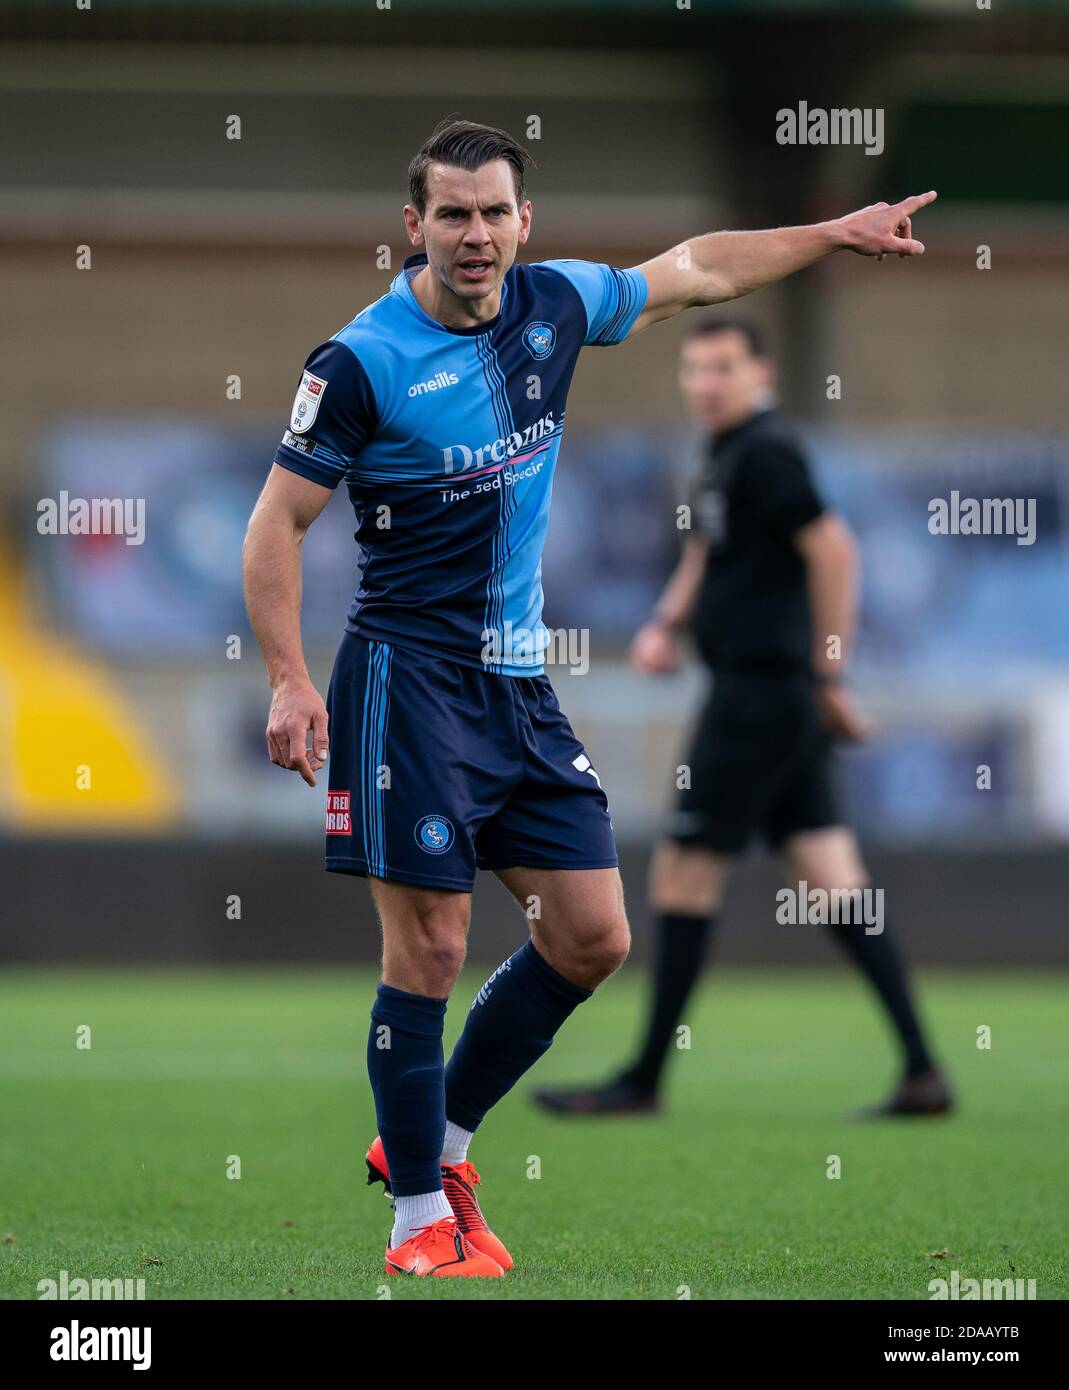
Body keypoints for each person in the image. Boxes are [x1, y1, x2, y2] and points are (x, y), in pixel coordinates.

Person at [242, 116, 939, 1277]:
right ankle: (419, 1221)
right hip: (406, 685)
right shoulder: (359, 362)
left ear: (526, 222)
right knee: (431, 945)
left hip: (518, 686)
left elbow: (700, 267)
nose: (475, 235)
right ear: (412, 227)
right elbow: (276, 523)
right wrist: (286, 678)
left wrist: (830, 229)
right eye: (451, 214)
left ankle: (435, 1139)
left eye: (493, 212)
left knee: (591, 934)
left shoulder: (555, 305)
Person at [533, 318, 952, 1121]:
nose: (706, 383)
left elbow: (835, 552)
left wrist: (829, 668)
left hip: (760, 696)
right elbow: (705, 552)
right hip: (769, 698)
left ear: (759, 374)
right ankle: (924, 1073)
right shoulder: (719, 456)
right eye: (694, 368)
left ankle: (644, 1080)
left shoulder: (764, 451)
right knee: (834, 884)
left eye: (723, 367)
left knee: (683, 871)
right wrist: (664, 621)